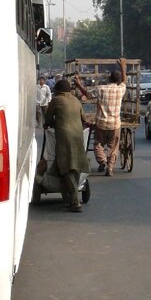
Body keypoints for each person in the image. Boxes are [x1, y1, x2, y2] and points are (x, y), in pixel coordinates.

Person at [42, 77, 90, 212]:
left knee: (66, 166)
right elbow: (84, 119)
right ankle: (71, 194)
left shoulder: (56, 100)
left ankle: (75, 202)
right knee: (75, 165)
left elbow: (47, 119)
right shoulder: (76, 100)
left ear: (57, 91)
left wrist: (50, 124)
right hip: (78, 137)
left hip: (64, 138)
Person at [89, 58, 127, 176]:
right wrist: (122, 66)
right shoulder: (120, 89)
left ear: (109, 79)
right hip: (115, 124)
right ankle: (110, 167)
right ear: (118, 80)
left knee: (98, 144)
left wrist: (79, 85)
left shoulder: (101, 89)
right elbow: (124, 81)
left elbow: (87, 94)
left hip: (101, 123)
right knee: (113, 146)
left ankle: (103, 161)